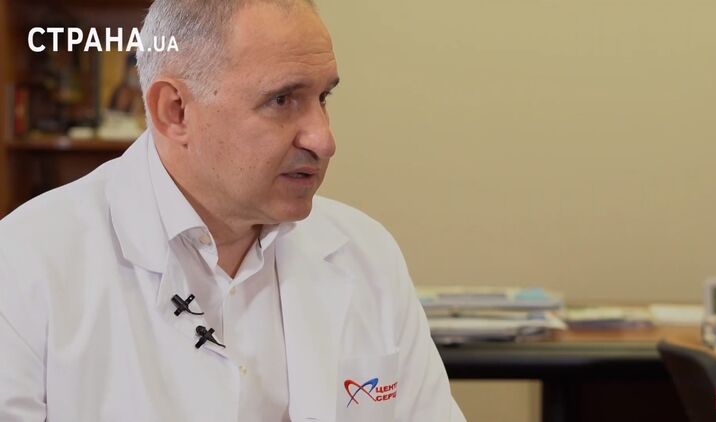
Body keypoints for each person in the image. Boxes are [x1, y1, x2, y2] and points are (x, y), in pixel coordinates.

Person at [0, 1, 466, 421]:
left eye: (322, 98)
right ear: (175, 111)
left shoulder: (367, 254)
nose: (323, 139)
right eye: (282, 100)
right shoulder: (25, 265)